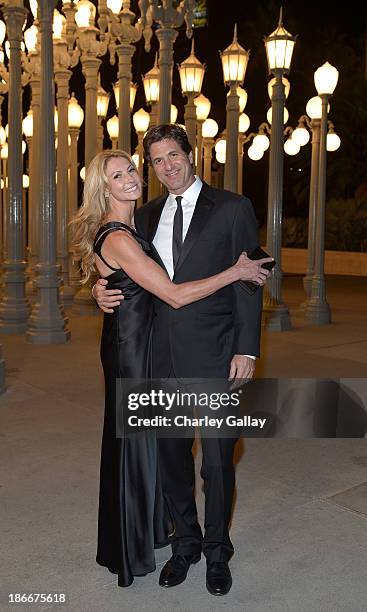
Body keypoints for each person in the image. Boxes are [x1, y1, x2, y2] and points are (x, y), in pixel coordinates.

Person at [72, 148, 271, 589]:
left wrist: (247, 348)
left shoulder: (233, 207)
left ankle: (219, 551)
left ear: (189, 156)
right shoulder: (142, 216)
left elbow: (254, 276)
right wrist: (98, 294)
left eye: (173, 156)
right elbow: (125, 274)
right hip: (155, 357)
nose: (166, 166)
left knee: (218, 462)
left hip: (217, 354)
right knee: (172, 460)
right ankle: (186, 544)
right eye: (157, 160)